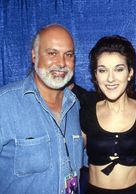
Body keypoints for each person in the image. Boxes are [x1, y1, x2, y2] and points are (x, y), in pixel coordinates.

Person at [0, 24, 84, 194]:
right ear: (34, 55)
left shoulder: (77, 106)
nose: (61, 63)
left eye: (68, 55)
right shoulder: (5, 103)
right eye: (52, 53)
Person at [79, 35, 136, 194]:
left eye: (119, 69)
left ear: (130, 73)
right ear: (95, 75)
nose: (110, 78)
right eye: (102, 70)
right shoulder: (86, 109)